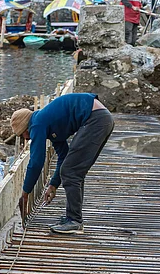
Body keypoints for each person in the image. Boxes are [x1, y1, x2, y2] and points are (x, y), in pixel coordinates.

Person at [11, 93, 114, 234]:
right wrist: (53, 185)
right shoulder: (49, 123)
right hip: (101, 119)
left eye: (22, 134)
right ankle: (73, 217)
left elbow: (36, 162)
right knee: (73, 169)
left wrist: (25, 192)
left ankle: (75, 221)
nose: (26, 138)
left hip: (95, 120)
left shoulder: (37, 123)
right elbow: (63, 157)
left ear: (25, 128)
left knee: (71, 171)